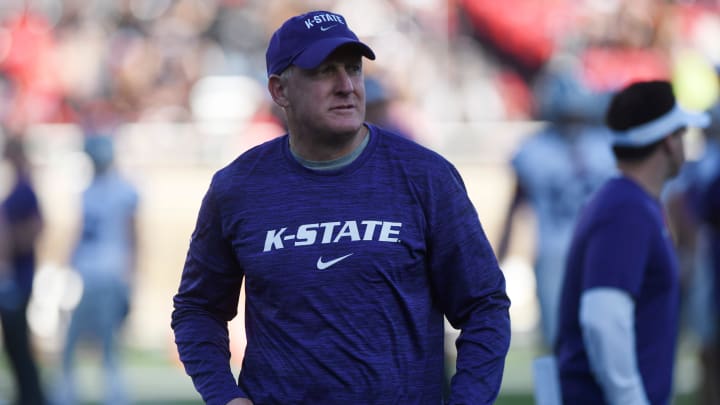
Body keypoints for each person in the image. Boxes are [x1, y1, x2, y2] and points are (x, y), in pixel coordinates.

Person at [171, 10, 511, 405]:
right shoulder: (237, 187)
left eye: (353, 69)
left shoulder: (426, 177)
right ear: (280, 90)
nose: (347, 85)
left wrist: (468, 400)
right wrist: (225, 396)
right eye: (324, 71)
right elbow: (197, 310)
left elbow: (484, 306)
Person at [554, 80, 710, 405]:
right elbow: (603, 317)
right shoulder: (627, 209)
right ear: (669, 141)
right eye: (682, 134)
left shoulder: (629, 203)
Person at [497, 58, 616, 349]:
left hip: (560, 251)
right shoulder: (606, 146)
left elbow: (515, 207)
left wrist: (499, 254)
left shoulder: (534, 150)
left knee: (565, 342)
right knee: (591, 340)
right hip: (590, 250)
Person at [58, 134, 139, 405]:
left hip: (102, 273)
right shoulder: (100, 189)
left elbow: (132, 234)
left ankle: (111, 394)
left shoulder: (116, 190)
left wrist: (132, 274)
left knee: (97, 340)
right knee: (85, 340)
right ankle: (82, 391)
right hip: (96, 272)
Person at [0, 135, 47, 405]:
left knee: (19, 343)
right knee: (13, 344)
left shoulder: (24, 190)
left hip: (19, 278)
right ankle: (26, 394)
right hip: (15, 276)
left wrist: (11, 240)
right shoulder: (17, 189)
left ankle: (32, 396)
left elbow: (38, 226)